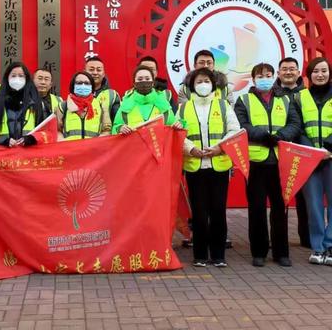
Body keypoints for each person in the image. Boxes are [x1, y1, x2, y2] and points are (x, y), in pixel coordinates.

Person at [235, 62, 301, 267]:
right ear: (254, 79)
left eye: (269, 74)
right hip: (256, 161)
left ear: (274, 77)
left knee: (280, 208)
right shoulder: (243, 100)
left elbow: (295, 123)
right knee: (256, 208)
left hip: (280, 161)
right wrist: (262, 136)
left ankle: (281, 253)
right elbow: (241, 124)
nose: (265, 78)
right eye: (260, 75)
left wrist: (281, 136)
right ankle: (259, 252)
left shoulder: (286, 99)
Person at [179, 68, 240, 267]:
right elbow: (178, 134)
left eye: (206, 80)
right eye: (199, 81)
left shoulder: (223, 106)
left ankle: (218, 255)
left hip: (219, 165)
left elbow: (234, 130)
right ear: (192, 85)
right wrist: (191, 149)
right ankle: (200, 255)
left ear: (213, 84)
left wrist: (219, 148)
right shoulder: (183, 108)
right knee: (198, 211)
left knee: (218, 211)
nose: (203, 84)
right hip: (195, 166)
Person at [295, 57, 332, 265]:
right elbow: (297, 126)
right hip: (310, 159)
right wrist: (313, 150)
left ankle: (330, 244)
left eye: (324, 71)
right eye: (316, 71)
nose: (320, 75)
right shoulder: (300, 98)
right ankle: (317, 247)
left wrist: (327, 148)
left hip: (331, 156)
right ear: (309, 75)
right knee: (314, 205)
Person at [273, 57, 310, 249]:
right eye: (284, 69)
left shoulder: (307, 94)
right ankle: (279, 239)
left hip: (302, 151)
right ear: (278, 73)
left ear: (298, 72)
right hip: (278, 152)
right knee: (279, 198)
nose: (288, 72)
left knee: (305, 198)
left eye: (292, 69)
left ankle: (307, 237)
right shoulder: (271, 95)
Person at [112, 65, 181, 134]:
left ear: (153, 82)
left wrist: (179, 125)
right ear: (134, 83)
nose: (144, 82)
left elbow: (173, 126)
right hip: (133, 144)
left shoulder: (162, 103)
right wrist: (120, 128)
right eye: (140, 79)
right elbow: (115, 128)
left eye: (147, 79)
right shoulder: (126, 104)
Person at [0, 62, 44, 146]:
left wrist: (31, 139)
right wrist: (4, 140)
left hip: (29, 153)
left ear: (26, 78)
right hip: (3, 154)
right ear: (7, 78)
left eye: (21, 76)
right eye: (13, 76)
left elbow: (45, 131)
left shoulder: (36, 103)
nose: (17, 79)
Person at [57, 71, 111, 140]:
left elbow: (107, 130)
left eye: (86, 83)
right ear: (73, 86)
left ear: (91, 87)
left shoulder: (101, 106)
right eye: (79, 83)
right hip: (69, 149)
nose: (83, 85)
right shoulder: (63, 106)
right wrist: (62, 142)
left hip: (93, 149)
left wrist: (97, 144)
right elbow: (57, 130)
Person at [84, 56, 121, 121]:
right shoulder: (77, 93)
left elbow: (117, 121)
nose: (95, 73)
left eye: (99, 70)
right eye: (91, 70)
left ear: (103, 74)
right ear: (84, 72)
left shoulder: (112, 95)